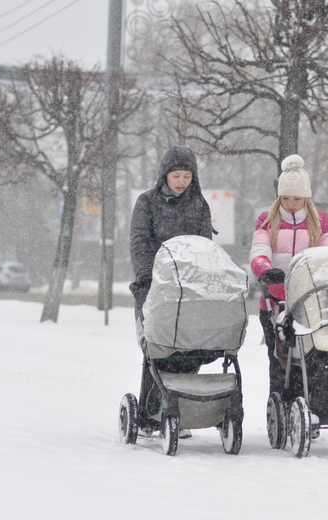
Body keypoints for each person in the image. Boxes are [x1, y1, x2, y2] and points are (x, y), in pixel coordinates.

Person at [128, 145, 214, 438]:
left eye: (187, 175)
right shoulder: (147, 203)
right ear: (165, 175)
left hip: (189, 288)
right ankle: (150, 414)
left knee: (190, 346)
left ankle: (181, 409)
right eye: (176, 175)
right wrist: (145, 275)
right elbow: (139, 241)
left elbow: (205, 246)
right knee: (158, 348)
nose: (181, 181)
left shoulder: (200, 205)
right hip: (154, 285)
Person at [249, 154, 328, 396]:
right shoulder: (267, 222)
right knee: (279, 359)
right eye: (285, 198)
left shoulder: (321, 223)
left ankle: (309, 402)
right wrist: (266, 270)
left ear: (306, 198)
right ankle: (280, 403)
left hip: (310, 304)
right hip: (275, 302)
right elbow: (259, 252)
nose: (290, 203)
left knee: (313, 357)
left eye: (297, 198)